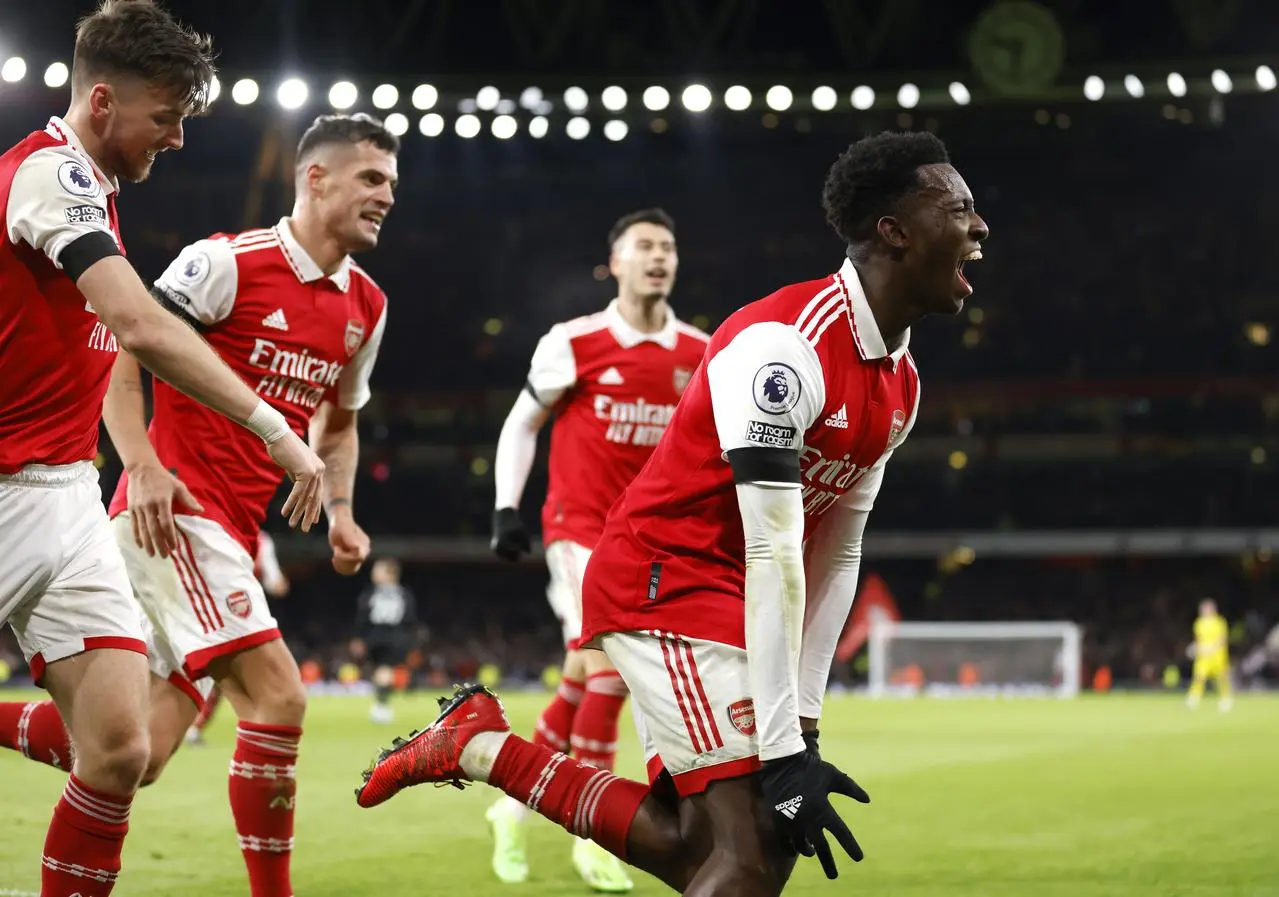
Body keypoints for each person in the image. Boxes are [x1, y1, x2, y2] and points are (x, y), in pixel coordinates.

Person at [356, 129, 988, 896]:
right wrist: (786, 751)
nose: (979, 227)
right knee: (753, 856)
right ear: (893, 230)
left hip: (720, 589)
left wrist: (806, 730)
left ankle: (484, 747)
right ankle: (483, 746)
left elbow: (837, 553)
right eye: (958, 209)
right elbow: (774, 552)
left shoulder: (901, 383)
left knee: (706, 847)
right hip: (667, 579)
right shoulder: (782, 350)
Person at [0, 110, 393, 897]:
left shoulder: (367, 307)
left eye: (391, 184)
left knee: (133, 754)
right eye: (371, 179)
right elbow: (125, 342)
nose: (386, 197)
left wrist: (343, 507)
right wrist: (140, 461)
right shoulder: (227, 263)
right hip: (174, 511)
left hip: (234, 533)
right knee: (280, 693)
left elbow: (340, 421)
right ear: (314, 178)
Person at [486, 208, 708, 890]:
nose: (657, 257)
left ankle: (508, 804)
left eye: (667, 247)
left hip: (656, 545)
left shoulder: (700, 352)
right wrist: (505, 507)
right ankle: (598, 832)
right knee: (611, 666)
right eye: (643, 246)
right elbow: (521, 424)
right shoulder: (575, 341)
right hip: (580, 534)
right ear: (615, 262)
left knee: (583, 674)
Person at [185, 531, 291, 746]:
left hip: (216, 615)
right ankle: (261, 732)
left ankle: (194, 728)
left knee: (221, 678)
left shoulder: (218, 531)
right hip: (236, 618)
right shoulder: (259, 540)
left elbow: (274, 581)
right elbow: (275, 582)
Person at [351, 557, 418, 724]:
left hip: (376, 635)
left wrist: (359, 637)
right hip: (397, 636)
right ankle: (382, 705)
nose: (373, 573)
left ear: (389, 573)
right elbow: (410, 617)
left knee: (381, 671)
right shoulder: (404, 593)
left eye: (377, 570)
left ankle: (382, 706)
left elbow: (363, 614)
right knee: (384, 671)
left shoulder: (372, 592)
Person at [1186, 598, 1233, 711]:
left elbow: (1223, 639)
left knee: (1222, 678)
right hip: (1203, 656)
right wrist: (1195, 648)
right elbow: (1198, 639)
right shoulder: (1199, 623)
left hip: (1218, 656)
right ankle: (1194, 699)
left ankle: (1226, 699)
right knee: (1199, 677)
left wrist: (1213, 648)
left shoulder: (1220, 622)